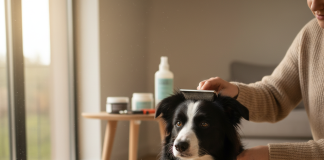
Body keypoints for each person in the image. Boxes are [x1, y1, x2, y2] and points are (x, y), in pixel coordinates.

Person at [197, 0, 324, 159]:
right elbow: (275, 95)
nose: (314, 6)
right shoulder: (311, 35)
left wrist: (272, 155)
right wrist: (235, 92)